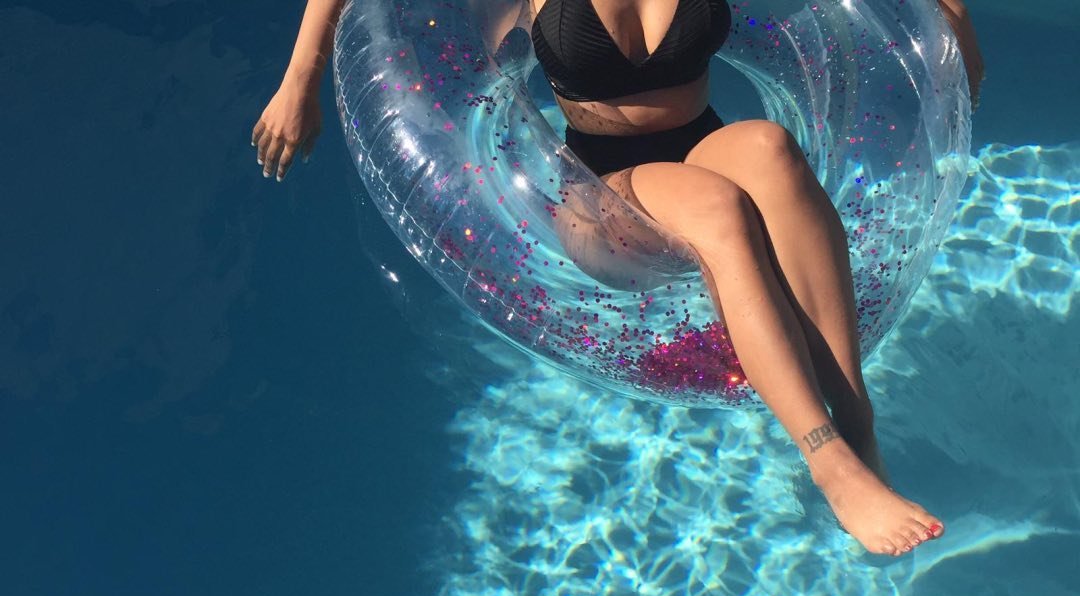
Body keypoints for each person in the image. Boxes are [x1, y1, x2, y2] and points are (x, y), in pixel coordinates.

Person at [253, 0, 984, 557]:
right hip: (597, 189)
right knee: (719, 206)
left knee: (769, 148)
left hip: (704, 145)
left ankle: (860, 426)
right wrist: (298, 83)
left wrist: (954, 25)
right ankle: (827, 460)